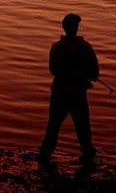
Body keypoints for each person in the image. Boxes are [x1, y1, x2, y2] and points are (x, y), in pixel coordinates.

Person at [39, 13, 99, 165]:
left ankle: (45, 152)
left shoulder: (56, 47)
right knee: (83, 125)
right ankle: (87, 153)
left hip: (59, 92)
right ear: (76, 28)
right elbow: (94, 74)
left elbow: (53, 70)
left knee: (53, 124)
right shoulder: (85, 48)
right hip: (78, 93)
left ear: (64, 28)